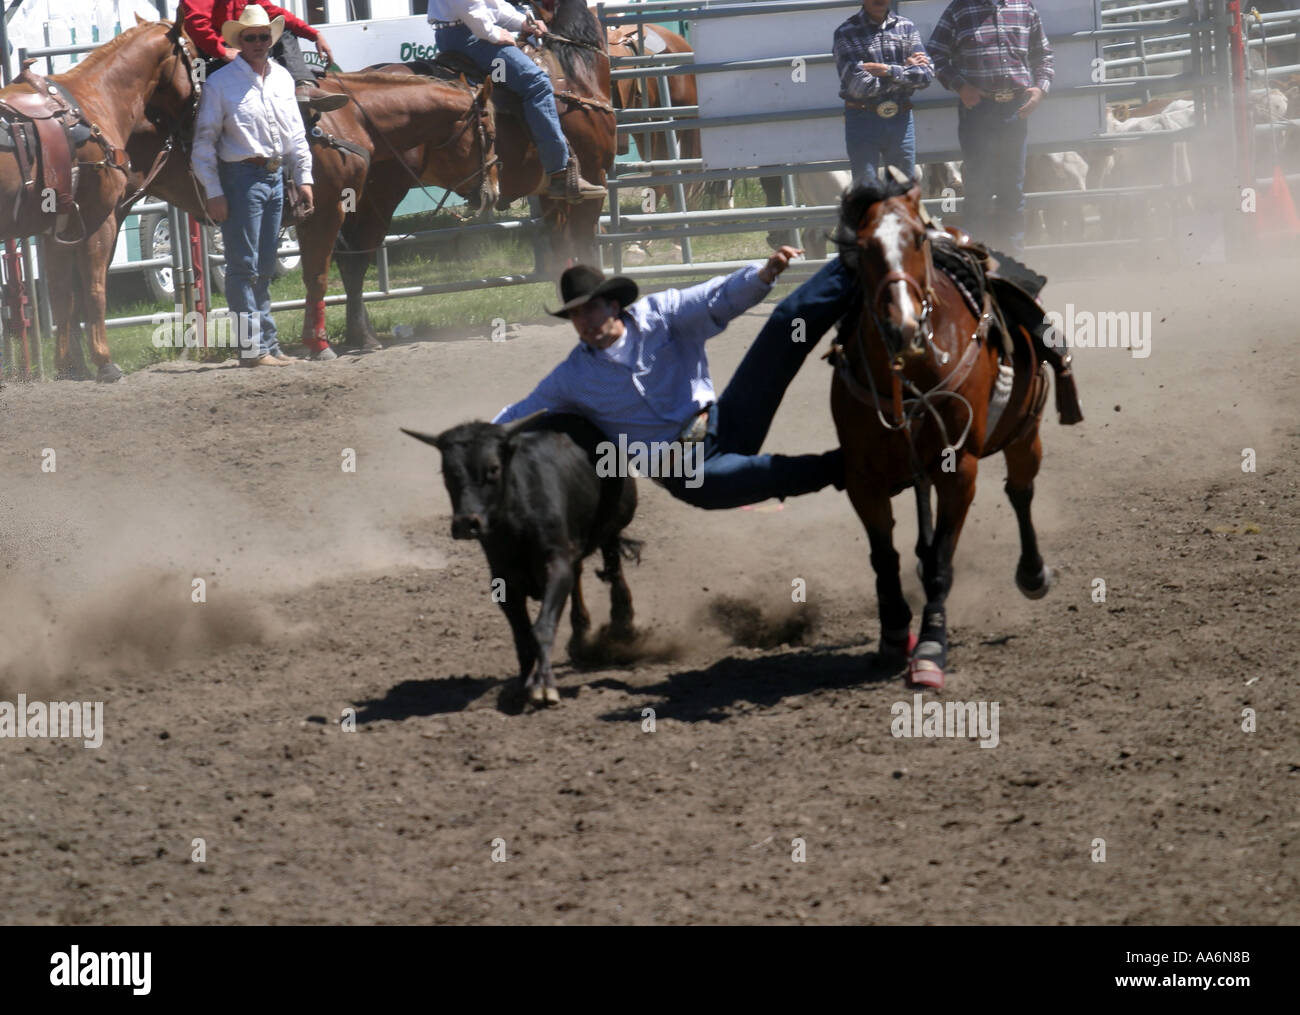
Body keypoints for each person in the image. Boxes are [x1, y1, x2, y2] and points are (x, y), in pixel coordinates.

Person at [492, 251, 855, 510]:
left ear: (613, 305)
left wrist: (762, 275)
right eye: (575, 314)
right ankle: (854, 466)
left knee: (785, 324)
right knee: (756, 474)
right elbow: (524, 410)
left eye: (590, 308)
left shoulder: (660, 315)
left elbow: (713, 300)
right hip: (688, 473)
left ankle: (856, 259)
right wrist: (472, 440)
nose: (584, 321)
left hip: (725, 421)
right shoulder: (572, 378)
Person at [193, 5, 317, 367]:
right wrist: (214, 192)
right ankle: (253, 349)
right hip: (241, 178)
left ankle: (268, 346)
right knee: (244, 265)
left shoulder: (281, 78)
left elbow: (295, 133)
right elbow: (203, 144)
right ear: (240, 41)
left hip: (274, 176)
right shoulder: (220, 83)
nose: (260, 43)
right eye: (252, 38)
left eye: (265, 37)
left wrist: (304, 177)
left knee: (263, 264)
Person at [427, 0, 607, 202]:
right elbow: (472, 10)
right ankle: (559, 172)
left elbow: (492, 5)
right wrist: (494, 34)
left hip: (459, 34)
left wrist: (523, 23)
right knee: (537, 83)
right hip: (473, 38)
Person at [927, 0, 1053, 257]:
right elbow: (935, 53)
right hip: (979, 111)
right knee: (978, 193)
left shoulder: (1023, 6)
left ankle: (1012, 263)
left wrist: (1041, 89)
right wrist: (961, 86)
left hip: (1015, 110)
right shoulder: (960, 8)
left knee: (1012, 191)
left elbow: (1043, 54)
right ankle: (978, 263)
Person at [180, 0, 348, 111]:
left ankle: (303, 86)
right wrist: (222, 51)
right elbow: (195, 23)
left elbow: (271, 12)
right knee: (197, 101)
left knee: (283, 29)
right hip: (202, 58)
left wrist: (313, 34)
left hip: (231, 47)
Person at [833, 0, 934, 185]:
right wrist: (905, 70)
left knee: (902, 188)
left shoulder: (907, 27)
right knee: (867, 190)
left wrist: (887, 70)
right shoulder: (845, 32)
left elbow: (926, 76)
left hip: (900, 117)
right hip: (863, 118)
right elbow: (859, 86)